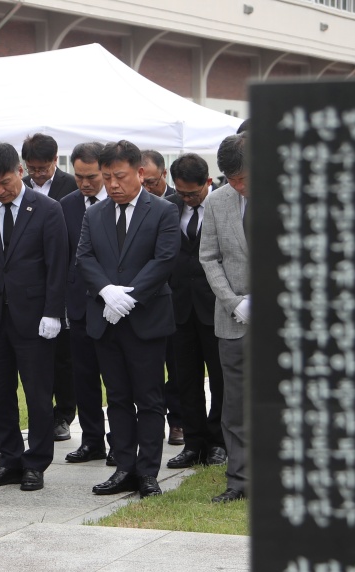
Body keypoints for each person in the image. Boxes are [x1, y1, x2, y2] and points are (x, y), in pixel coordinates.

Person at [77, 140, 179, 498]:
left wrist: (129, 297)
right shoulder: (94, 213)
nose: (113, 185)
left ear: (139, 172)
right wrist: (107, 292)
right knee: (117, 396)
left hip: (146, 319)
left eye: (119, 176)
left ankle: (148, 471)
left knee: (149, 397)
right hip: (106, 317)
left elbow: (164, 260)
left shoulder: (163, 211)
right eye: (107, 178)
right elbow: (85, 258)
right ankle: (123, 466)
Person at [0, 142, 68, 491]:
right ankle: (10, 459)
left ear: (20, 171)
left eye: (5, 182)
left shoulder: (47, 209)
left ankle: (37, 462)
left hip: (34, 318)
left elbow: (57, 264)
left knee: (37, 394)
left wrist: (53, 313)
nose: (0, 191)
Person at [165, 153, 227, 469]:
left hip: (214, 306)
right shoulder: (170, 208)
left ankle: (219, 442)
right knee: (184, 379)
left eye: (193, 193)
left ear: (207, 182)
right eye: (182, 192)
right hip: (178, 308)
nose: (188, 198)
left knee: (219, 379)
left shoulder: (221, 206)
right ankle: (194, 442)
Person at [199, 133, 249, 503]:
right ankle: (239, 480)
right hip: (233, 320)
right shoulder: (218, 201)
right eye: (231, 179)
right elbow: (209, 257)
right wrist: (234, 301)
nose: (238, 186)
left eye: (244, 178)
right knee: (235, 406)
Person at [20, 132, 78, 442]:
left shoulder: (69, 187)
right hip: (30, 279)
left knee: (63, 354)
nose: (38, 174)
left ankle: (65, 413)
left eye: (43, 168)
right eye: (32, 168)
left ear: (56, 161)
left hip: (63, 274)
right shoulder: (21, 189)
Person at [60, 142, 109, 465]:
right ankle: (91, 440)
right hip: (78, 307)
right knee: (84, 378)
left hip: (114, 306)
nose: (85, 183)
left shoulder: (120, 204)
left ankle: (121, 441)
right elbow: (62, 256)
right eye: (78, 176)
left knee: (118, 382)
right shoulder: (67, 205)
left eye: (91, 177)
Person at [140, 150, 183, 445]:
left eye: (152, 182)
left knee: (177, 367)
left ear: (163, 175)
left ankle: (178, 422)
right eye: (141, 182)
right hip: (142, 301)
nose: (146, 189)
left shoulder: (172, 205)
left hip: (177, 296)